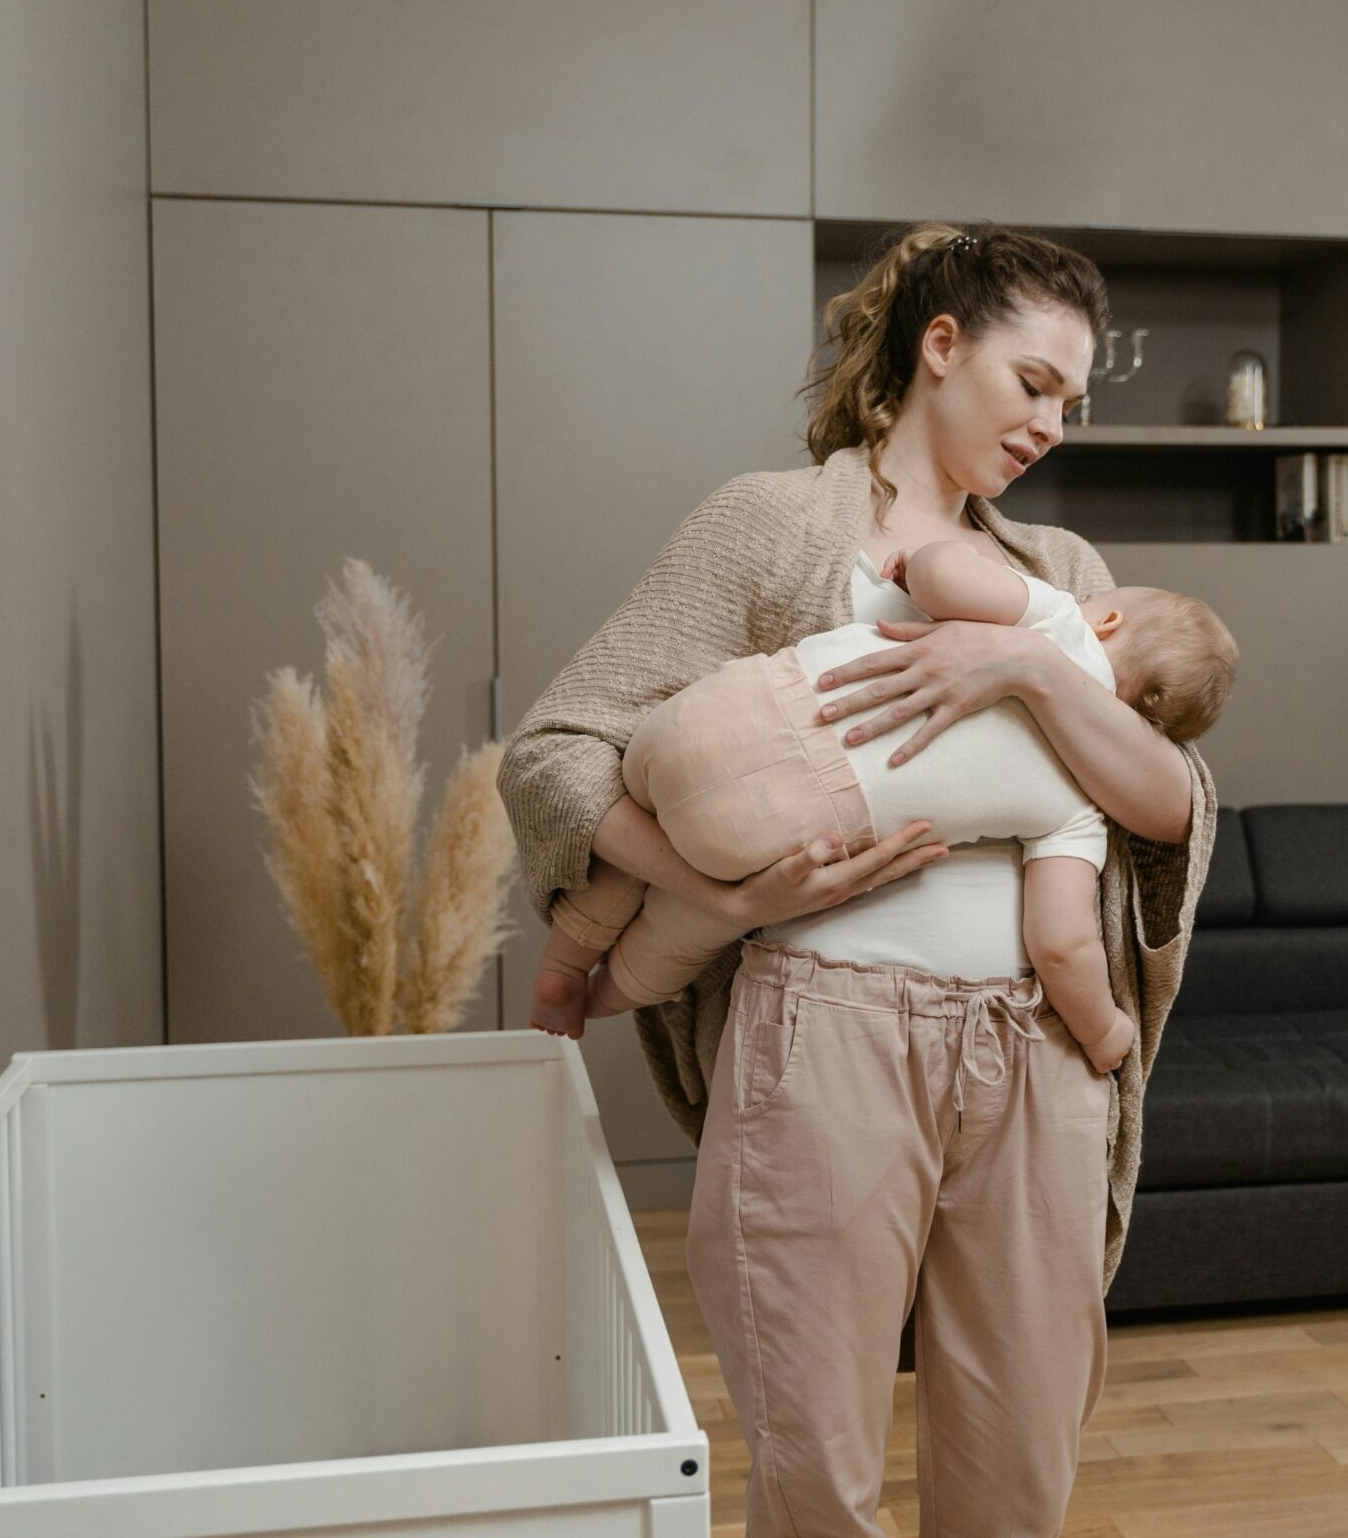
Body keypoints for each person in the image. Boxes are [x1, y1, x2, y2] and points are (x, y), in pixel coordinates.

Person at [495, 220, 1221, 1537]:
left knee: (1020, 1458)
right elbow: (560, 744)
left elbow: (1171, 805)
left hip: (1039, 1049)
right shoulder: (769, 522)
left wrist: (1027, 670)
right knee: (817, 1459)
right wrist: (728, 892)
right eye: (1034, 384)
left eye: (1072, 399)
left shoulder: (1064, 577)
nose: (1053, 424)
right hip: (826, 1032)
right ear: (941, 347)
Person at [524, 533, 1237, 1079]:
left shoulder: (1050, 617)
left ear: (1107, 620)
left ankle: (562, 965)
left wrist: (920, 563)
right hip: (779, 831)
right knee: (685, 922)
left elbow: (944, 575)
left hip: (721, 713)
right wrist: (1106, 1030)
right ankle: (599, 997)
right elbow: (1062, 941)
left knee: (636, 812)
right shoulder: (1080, 801)